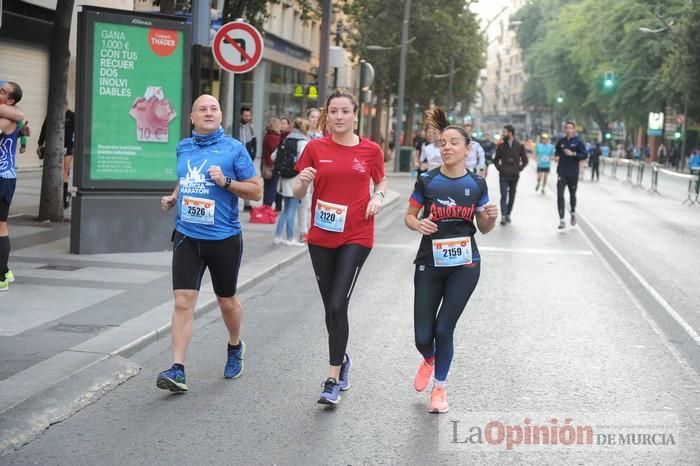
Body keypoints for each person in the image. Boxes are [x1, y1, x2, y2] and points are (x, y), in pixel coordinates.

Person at [156, 94, 263, 393]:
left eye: (213, 108)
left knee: (226, 301)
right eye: (202, 109)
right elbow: (187, 178)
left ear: (220, 115)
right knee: (182, 301)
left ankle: (234, 345)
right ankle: (177, 369)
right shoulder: (184, 147)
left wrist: (226, 182)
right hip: (187, 236)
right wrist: (175, 196)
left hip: (224, 238)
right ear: (191, 117)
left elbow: (256, 191)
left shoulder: (234, 149)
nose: (208, 112)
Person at [293, 89, 387, 405]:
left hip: (357, 235)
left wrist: (378, 197)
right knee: (330, 308)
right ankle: (342, 358)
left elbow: (381, 181)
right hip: (321, 237)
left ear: (355, 114)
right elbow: (295, 192)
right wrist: (303, 182)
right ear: (327, 115)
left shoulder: (371, 150)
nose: (339, 117)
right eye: (333, 111)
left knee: (337, 305)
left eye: (345, 111)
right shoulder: (314, 149)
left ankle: (332, 379)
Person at [405, 107, 498, 413]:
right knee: (422, 336)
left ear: (467, 149)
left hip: (465, 264)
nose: (446, 147)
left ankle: (440, 389)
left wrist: (490, 218)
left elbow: (483, 228)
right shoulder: (427, 180)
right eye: (443, 142)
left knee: (444, 329)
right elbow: (409, 216)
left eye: (453, 142)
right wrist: (419, 224)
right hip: (429, 262)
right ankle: (428, 359)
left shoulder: (477, 185)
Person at [0, 80, 23, 292]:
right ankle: (5, 270)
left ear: (10, 100)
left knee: (0, 226)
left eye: (2, 91)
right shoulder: (12, 114)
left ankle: (1, 278)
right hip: (6, 176)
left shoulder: (6, 120)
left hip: (2, 178)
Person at [273, 117, 309, 246]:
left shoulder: (286, 139)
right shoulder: (303, 142)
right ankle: (290, 238)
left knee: (285, 209)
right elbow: (304, 161)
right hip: (296, 180)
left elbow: (273, 156)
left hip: (284, 180)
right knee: (292, 210)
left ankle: (277, 236)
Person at [38, 101, 75, 209]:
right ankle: (54, 194)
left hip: (68, 146)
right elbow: (44, 129)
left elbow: (77, 131)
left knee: (65, 168)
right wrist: (40, 144)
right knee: (53, 170)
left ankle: (64, 195)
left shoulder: (72, 116)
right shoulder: (51, 115)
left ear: (66, 105)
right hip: (53, 145)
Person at [554, 121, 587, 229]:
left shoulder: (578, 142)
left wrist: (573, 154)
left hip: (573, 173)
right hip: (562, 172)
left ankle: (572, 212)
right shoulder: (561, 141)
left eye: (570, 128)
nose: (568, 130)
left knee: (572, 194)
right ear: (565, 129)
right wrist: (557, 156)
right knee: (559, 195)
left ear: (574, 130)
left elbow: (584, 155)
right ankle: (562, 220)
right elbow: (557, 151)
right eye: (567, 128)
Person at [493, 124, 528, 225]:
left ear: (510, 133)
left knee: (512, 195)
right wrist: (500, 168)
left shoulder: (520, 145)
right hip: (503, 175)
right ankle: (503, 215)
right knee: (503, 195)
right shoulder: (501, 146)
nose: (503, 134)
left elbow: (525, 160)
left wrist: (519, 169)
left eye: (504, 132)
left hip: (514, 175)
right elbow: (495, 160)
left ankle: (508, 213)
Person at [298, 108, 322, 242]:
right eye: (312, 117)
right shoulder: (304, 135)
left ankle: (315, 227)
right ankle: (303, 231)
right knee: (304, 202)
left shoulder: (323, 135)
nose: (315, 120)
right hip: (306, 171)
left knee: (318, 201)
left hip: (320, 173)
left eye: (317, 117)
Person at [238, 106, 257, 212]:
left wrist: (253, 155)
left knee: (247, 181)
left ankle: (247, 203)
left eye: (249, 116)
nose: (247, 117)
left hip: (247, 157)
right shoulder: (233, 126)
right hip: (237, 155)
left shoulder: (251, 127)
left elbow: (254, 142)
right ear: (241, 115)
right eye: (245, 115)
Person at [261, 117, 282, 209]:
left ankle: (266, 206)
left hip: (266, 165)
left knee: (268, 187)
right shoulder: (274, 138)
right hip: (272, 166)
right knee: (272, 187)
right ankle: (267, 207)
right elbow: (276, 151)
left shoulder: (267, 136)